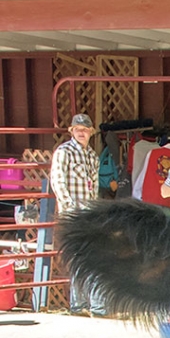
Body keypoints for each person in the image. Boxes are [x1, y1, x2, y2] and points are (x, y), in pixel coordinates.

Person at [50, 112, 102, 315]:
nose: (82, 133)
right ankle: (82, 304)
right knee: (80, 257)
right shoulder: (64, 152)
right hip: (73, 213)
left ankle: (85, 305)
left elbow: (94, 186)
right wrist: (69, 207)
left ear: (91, 132)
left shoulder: (92, 156)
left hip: (88, 213)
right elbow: (57, 181)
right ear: (72, 131)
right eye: (78, 129)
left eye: (85, 129)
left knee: (88, 257)